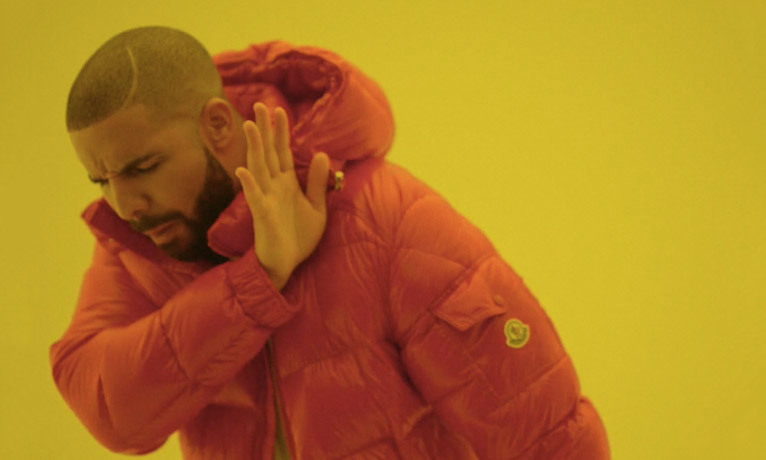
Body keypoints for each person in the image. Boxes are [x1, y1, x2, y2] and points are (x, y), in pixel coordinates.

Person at [50, 26, 610, 460]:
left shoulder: (383, 218)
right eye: (102, 180)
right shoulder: (144, 244)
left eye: (142, 167)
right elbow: (113, 414)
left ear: (217, 125)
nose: (126, 204)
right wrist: (256, 282)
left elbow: (548, 439)